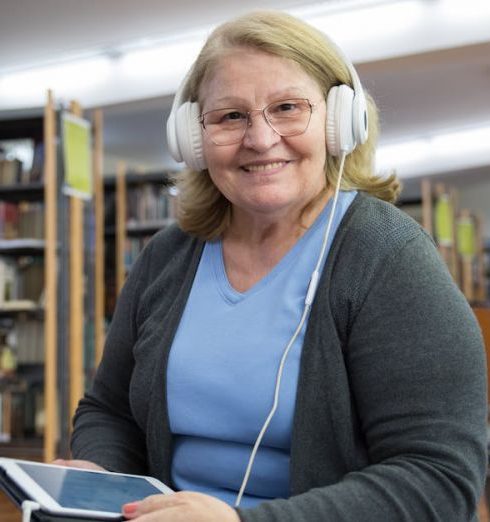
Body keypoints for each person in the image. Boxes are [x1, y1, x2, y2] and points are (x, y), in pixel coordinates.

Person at [60, 10, 487, 522]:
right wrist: (101, 476)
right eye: (230, 116)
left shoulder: (388, 258)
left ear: (338, 121)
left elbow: (439, 479)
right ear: (193, 138)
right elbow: (109, 410)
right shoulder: (168, 257)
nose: (260, 139)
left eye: (287, 108)